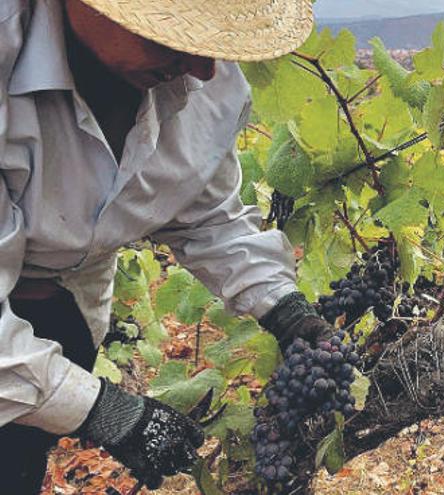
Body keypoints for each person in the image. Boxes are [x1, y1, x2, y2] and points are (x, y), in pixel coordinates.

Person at [0, 0, 336, 491]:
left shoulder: (200, 78)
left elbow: (206, 210)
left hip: (64, 312)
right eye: (172, 35)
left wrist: (283, 308)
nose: (204, 68)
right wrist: (107, 411)